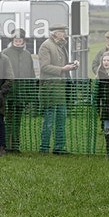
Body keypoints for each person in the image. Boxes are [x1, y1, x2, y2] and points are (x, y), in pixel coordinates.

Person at [38, 24, 77, 154]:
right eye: (62, 31)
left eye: (64, 31)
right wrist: (62, 69)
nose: (64, 34)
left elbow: (62, 65)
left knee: (61, 121)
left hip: (61, 91)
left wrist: (71, 66)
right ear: (55, 33)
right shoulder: (46, 46)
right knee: (49, 121)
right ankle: (44, 148)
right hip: (50, 91)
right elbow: (44, 67)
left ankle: (59, 148)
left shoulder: (61, 46)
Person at [2, 28, 37, 152]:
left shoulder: (27, 54)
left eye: (20, 39)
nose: (18, 41)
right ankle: (5, 145)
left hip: (22, 93)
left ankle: (15, 145)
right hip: (8, 94)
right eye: (15, 39)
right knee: (8, 121)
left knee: (18, 121)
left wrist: (31, 93)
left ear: (23, 41)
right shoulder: (5, 53)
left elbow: (31, 74)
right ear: (12, 40)